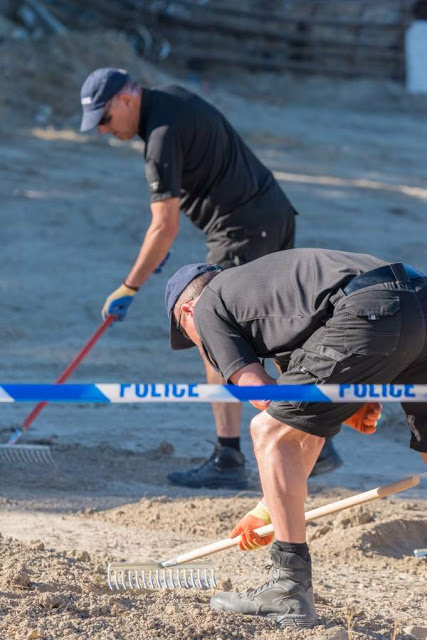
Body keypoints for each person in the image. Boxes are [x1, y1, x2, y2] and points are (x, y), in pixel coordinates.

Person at [79, 66, 342, 488]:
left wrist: (130, 285)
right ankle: (310, 434)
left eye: (106, 119)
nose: (105, 131)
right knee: (272, 328)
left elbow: (163, 227)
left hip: (242, 227)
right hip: (271, 212)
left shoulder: (160, 135)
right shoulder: (174, 97)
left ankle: (231, 456)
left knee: (214, 333)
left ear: (125, 98)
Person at [165, 250, 427, 628]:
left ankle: (288, 588)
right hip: (417, 294)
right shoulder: (277, 298)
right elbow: (303, 427)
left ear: (186, 312)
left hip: (368, 308)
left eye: (186, 334)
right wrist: (265, 511)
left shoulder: (208, 307)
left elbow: (266, 401)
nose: (198, 345)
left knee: (266, 429)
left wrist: (345, 400)